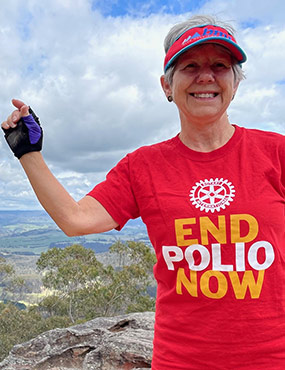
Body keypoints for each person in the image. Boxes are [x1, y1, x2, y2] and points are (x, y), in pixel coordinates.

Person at [2, 14, 285, 370]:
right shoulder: (143, 167)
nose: (206, 76)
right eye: (190, 65)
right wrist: (29, 153)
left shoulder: (276, 153)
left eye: (220, 65)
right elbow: (75, 220)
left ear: (235, 82)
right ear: (167, 86)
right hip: (180, 361)